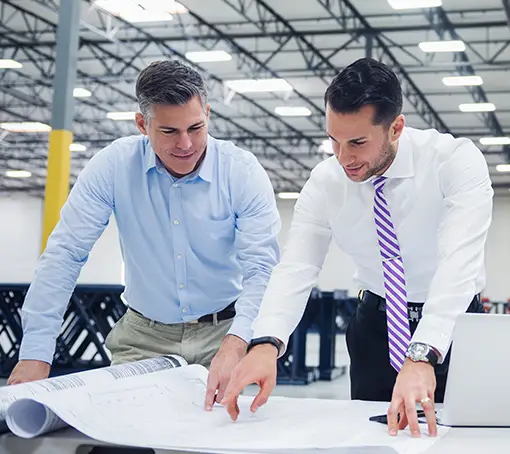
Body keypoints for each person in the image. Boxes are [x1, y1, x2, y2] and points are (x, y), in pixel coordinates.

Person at [221, 58, 493, 437]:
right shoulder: (326, 182)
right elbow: (297, 266)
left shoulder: (454, 161)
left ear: (396, 127)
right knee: (372, 439)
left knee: (465, 439)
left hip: (455, 324)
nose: (343, 156)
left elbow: (457, 263)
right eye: (334, 139)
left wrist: (423, 352)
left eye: (357, 142)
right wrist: (266, 341)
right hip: (375, 325)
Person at [7, 60, 281, 411]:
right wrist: (35, 353)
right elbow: (64, 255)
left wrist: (237, 341)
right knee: (126, 433)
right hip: (143, 338)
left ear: (208, 114)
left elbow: (261, 269)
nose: (186, 144)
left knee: (218, 439)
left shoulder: (241, 171)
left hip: (223, 333)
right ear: (142, 124)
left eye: (196, 127)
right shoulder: (113, 166)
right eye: (169, 132)